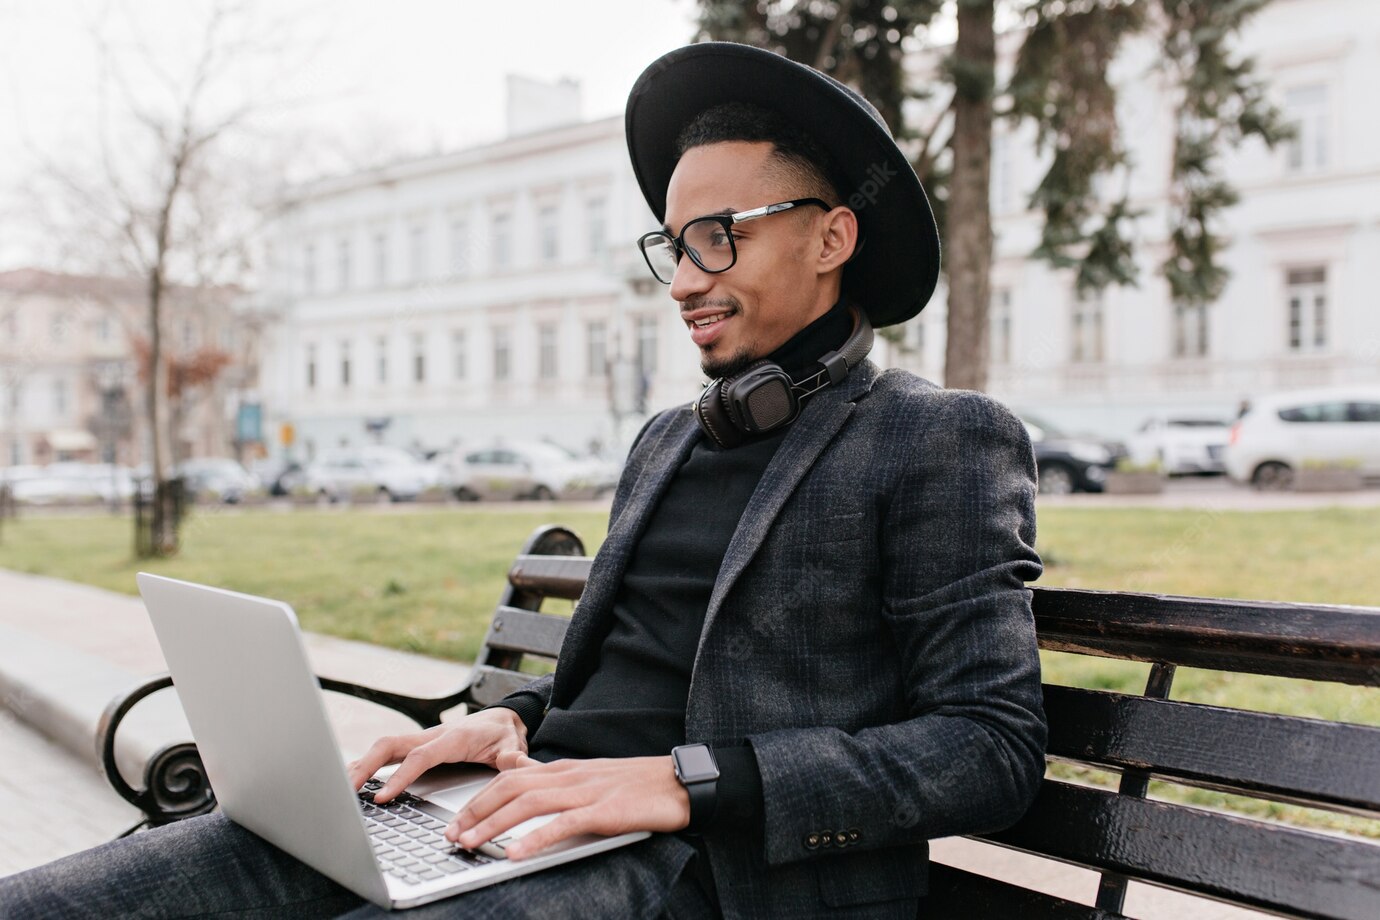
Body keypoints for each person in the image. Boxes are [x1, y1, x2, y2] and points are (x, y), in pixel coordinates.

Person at [0, 42, 1045, 919]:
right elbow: (635, 673)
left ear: (832, 235)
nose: (684, 280)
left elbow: (990, 747)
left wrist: (684, 780)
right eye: (673, 246)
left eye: (719, 238)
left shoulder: (939, 440)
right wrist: (512, 724)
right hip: (525, 810)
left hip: (709, 870)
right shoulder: (666, 442)